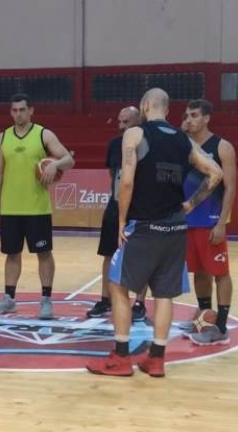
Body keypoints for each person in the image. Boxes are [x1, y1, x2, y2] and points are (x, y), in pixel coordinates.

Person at [86, 88, 222, 378]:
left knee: (118, 287)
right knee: (164, 294)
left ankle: (121, 357)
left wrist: (122, 220)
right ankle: (156, 359)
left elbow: (126, 182)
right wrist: (190, 204)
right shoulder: (183, 140)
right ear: (168, 110)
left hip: (143, 224)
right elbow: (215, 173)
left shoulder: (134, 135)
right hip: (175, 227)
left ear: (145, 106)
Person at [0, 93, 75, 320]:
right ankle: (9, 299)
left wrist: (55, 164)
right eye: (14, 110)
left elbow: (69, 159)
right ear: (11, 112)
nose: (18, 114)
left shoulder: (43, 134)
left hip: (37, 208)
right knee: (11, 254)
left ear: (31, 110)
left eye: (22, 110)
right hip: (10, 208)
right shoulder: (3, 137)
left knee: (44, 254)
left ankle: (46, 300)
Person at [180, 99, 237, 346]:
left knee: (220, 273)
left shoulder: (223, 147)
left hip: (211, 220)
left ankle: (221, 326)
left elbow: (231, 188)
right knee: (200, 272)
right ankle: (204, 316)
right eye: (186, 115)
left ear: (206, 118)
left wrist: (222, 222)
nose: (189, 119)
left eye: (194, 115)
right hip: (188, 220)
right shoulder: (183, 145)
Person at [87, 106, 149, 321]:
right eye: (120, 122)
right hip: (114, 208)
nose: (121, 127)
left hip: (140, 208)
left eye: (126, 122)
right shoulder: (114, 144)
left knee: (141, 257)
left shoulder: (146, 144)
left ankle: (139, 303)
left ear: (138, 122)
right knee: (108, 254)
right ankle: (106, 299)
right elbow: (113, 173)